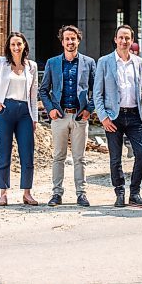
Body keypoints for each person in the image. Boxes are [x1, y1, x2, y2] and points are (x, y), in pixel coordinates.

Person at [93, 24, 142, 207]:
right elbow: (97, 93)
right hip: (114, 116)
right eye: (121, 37)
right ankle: (119, 192)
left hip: (134, 115)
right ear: (115, 39)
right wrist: (104, 118)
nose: (124, 41)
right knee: (115, 157)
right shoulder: (104, 62)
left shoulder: (137, 62)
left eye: (127, 38)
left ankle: (134, 193)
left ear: (132, 41)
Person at [0, 31, 38, 207]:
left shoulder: (31, 66)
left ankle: (27, 192)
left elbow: (33, 96)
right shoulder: (0, 63)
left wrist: (34, 118)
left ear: (25, 45)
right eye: (13, 44)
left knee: (27, 154)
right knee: (4, 153)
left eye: (19, 44)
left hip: (25, 112)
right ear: (8, 47)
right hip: (5, 112)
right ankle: (3, 193)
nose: (16, 47)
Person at [40, 25, 96, 207]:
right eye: (67, 39)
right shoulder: (53, 63)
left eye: (73, 38)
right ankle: (57, 194)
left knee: (80, 157)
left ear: (78, 40)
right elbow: (43, 90)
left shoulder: (88, 63)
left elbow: (96, 90)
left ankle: (81, 194)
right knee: (58, 156)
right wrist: (50, 110)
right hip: (60, 116)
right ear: (62, 42)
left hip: (80, 116)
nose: (70, 42)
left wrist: (89, 109)